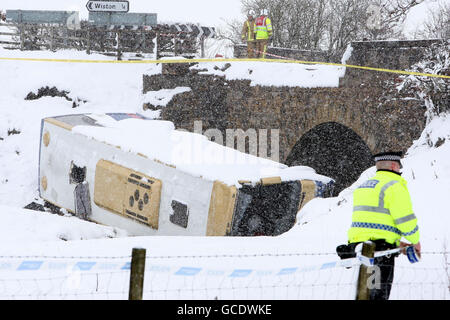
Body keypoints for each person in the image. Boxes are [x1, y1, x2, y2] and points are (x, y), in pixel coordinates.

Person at [347, 151, 421, 300]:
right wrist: (415, 240)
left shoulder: (363, 187)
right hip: (381, 252)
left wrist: (398, 244)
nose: (400, 171)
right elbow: (405, 219)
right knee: (378, 296)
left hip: (362, 250)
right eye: (399, 167)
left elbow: (373, 225)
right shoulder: (394, 186)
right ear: (394, 166)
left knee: (364, 295)